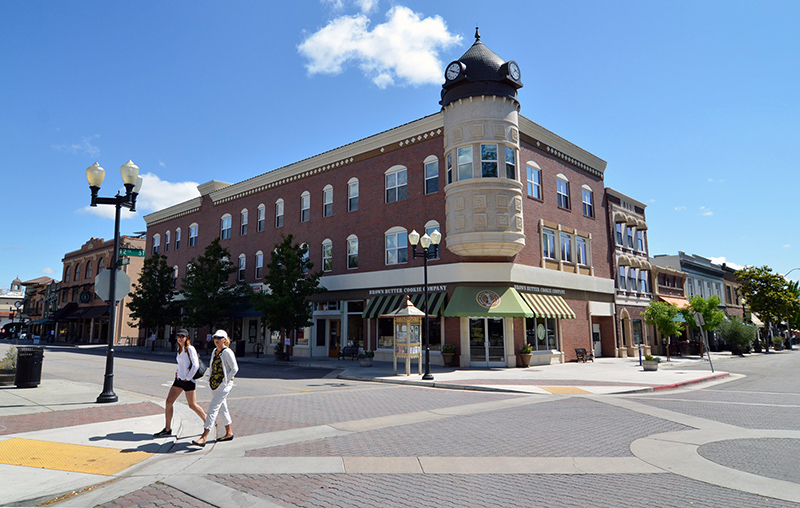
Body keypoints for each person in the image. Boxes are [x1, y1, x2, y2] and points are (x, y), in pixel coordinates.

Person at [154, 329, 206, 437]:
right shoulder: (179, 349)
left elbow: (195, 365)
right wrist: (177, 372)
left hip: (188, 381)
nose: (180, 338)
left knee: (192, 405)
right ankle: (167, 429)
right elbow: (181, 364)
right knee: (169, 402)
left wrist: (188, 377)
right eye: (178, 336)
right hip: (179, 380)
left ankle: (208, 423)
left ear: (187, 337)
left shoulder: (190, 349)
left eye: (182, 336)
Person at [192, 329, 238, 446]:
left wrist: (225, 380)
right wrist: (209, 378)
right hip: (214, 383)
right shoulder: (214, 351)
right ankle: (229, 432)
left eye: (219, 338)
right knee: (222, 407)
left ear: (224, 340)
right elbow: (212, 365)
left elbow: (235, 369)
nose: (216, 340)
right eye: (215, 338)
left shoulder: (227, 352)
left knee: (213, 408)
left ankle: (204, 436)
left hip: (224, 385)